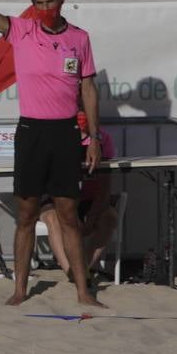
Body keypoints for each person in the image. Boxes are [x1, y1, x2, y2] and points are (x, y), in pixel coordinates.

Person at [0, 0, 103, 307]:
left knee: (69, 214)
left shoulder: (79, 38)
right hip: (32, 130)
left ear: (62, 1)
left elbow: (88, 88)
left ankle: (83, 291)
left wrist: (94, 137)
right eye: (38, 3)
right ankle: (19, 289)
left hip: (66, 132)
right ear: (33, 4)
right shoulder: (22, 30)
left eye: (50, 2)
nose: (45, 8)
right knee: (27, 214)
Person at [39, 112, 119, 278]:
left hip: (89, 199)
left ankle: (82, 269)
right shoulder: (55, 137)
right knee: (53, 217)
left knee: (109, 217)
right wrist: (71, 215)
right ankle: (69, 270)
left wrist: (93, 214)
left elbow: (105, 183)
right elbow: (52, 184)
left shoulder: (103, 139)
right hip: (59, 198)